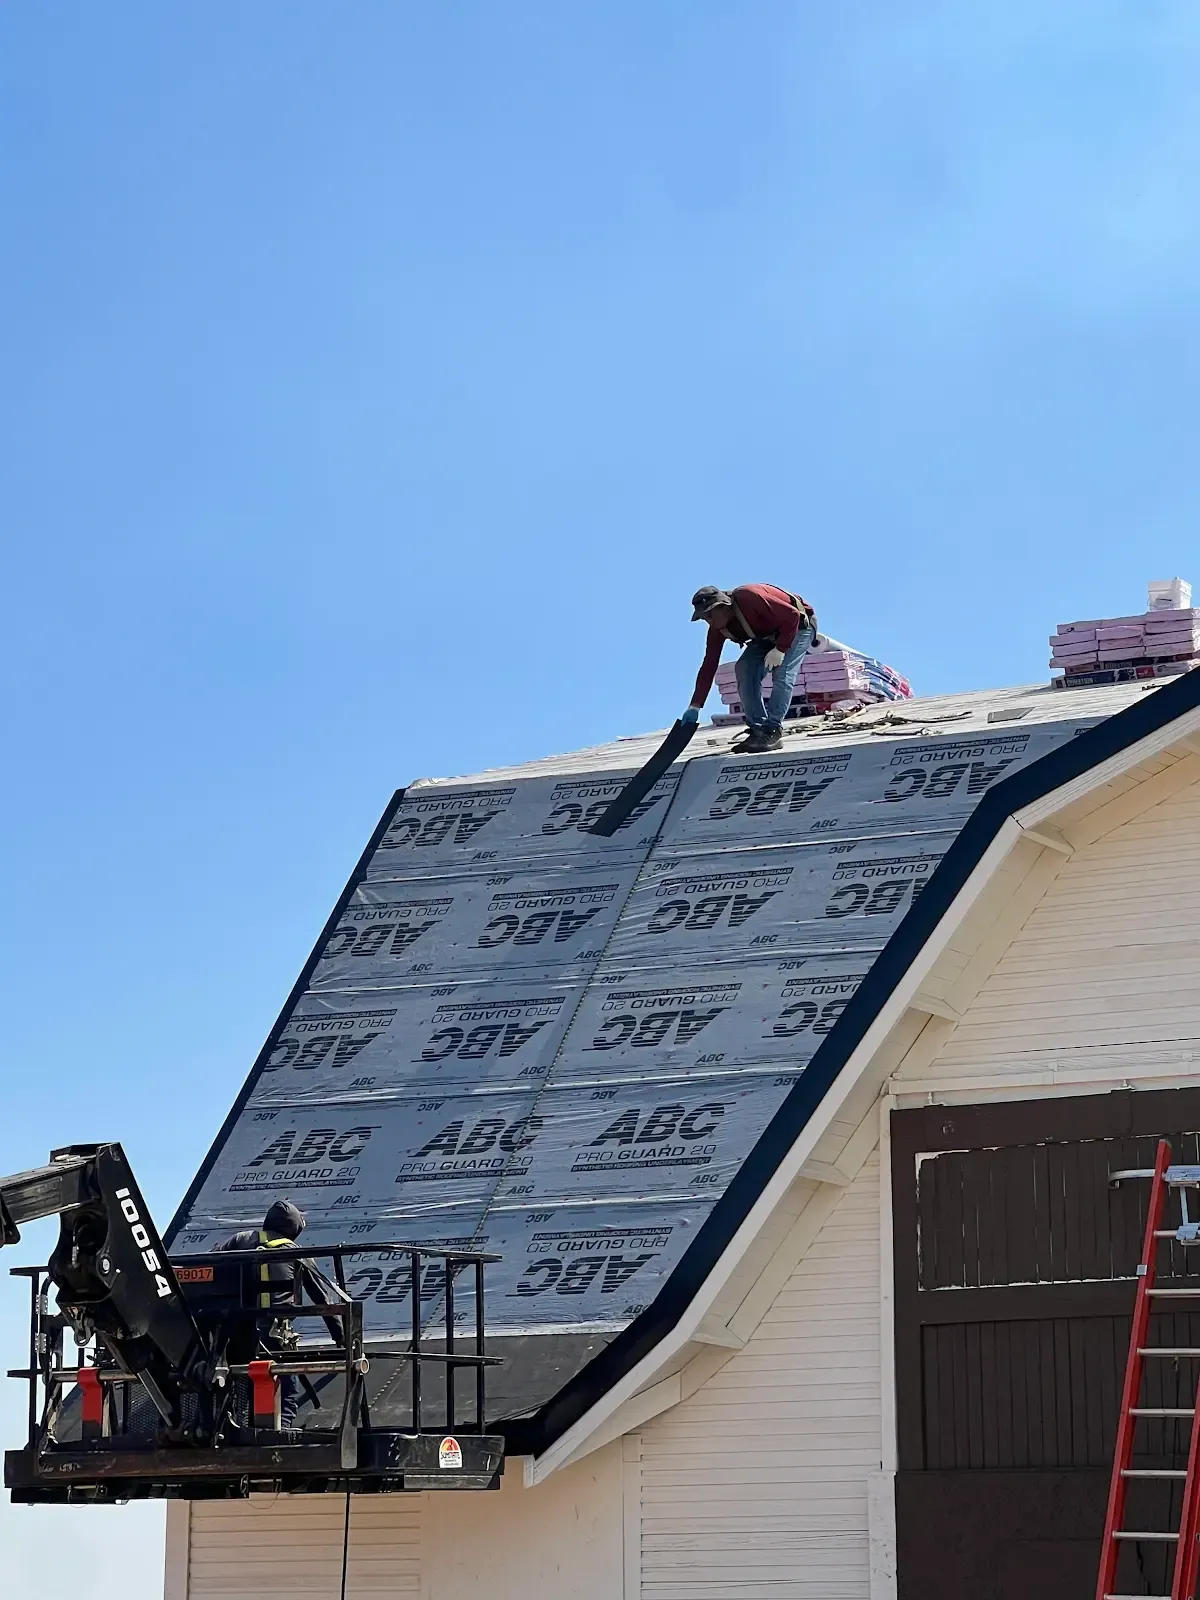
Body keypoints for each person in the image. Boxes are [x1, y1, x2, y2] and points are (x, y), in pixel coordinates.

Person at [685, 583, 818, 752]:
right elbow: (709, 664)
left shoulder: (749, 597)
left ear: (723, 605)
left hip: (798, 626)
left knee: (782, 673)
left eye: (710, 614)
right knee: (744, 668)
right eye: (704, 618)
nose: (709, 621)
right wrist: (695, 705)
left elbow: (792, 615)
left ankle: (772, 730)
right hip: (766, 637)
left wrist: (780, 649)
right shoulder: (718, 630)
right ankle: (758, 730)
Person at [217, 1199, 306, 1429]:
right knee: (287, 1382)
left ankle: (236, 1423)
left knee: (239, 1377)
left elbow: (208, 1267)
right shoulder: (295, 1252)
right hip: (275, 1341)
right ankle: (283, 1427)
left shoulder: (239, 1240)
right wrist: (343, 1337)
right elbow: (324, 1298)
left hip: (237, 1341)